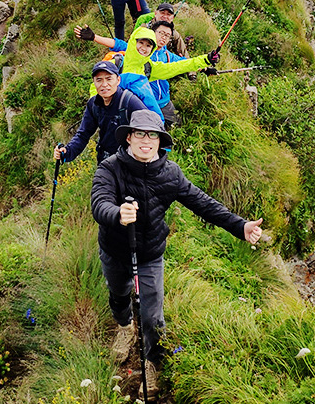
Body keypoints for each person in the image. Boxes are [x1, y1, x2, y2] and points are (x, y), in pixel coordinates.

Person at [91, 110, 263, 400]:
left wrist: (240, 226)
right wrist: (118, 213)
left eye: (153, 135)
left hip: (150, 254)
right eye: (141, 134)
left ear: (160, 141)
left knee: (153, 314)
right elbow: (99, 202)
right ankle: (124, 326)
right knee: (119, 296)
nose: (147, 141)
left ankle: (152, 361)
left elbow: (202, 203)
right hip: (115, 250)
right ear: (129, 137)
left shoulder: (170, 174)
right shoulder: (110, 169)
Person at [74, 24, 219, 123]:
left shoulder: (149, 67)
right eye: (141, 43)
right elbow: (96, 87)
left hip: (143, 117)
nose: (143, 48)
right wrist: (99, 109)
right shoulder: (116, 64)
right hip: (116, 118)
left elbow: (180, 65)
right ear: (133, 42)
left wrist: (205, 60)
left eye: (148, 45)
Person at [53, 61, 147, 165]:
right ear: (94, 82)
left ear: (118, 80)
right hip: (106, 161)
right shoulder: (94, 104)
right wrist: (67, 152)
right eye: (99, 80)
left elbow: (150, 130)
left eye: (109, 79)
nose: (104, 84)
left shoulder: (130, 102)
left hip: (130, 162)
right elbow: (83, 134)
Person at [135, 2, 197, 80]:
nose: (165, 16)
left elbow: (183, 52)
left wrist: (192, 73)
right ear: (155, 13)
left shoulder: (174, 34)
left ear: (172, 18)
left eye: (168, 14)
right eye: (162, 13)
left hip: (164, 64)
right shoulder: (145, 29)